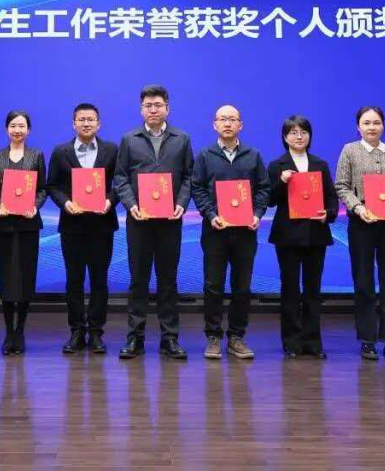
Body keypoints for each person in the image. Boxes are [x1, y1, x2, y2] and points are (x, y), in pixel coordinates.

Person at [112, 84, 194, 360]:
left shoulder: (182, 139)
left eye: (158, 105)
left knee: (168, 280)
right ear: (141, 109)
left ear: (167, 108)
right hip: (140, 221)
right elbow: (120, 177)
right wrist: (131, 205)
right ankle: (135, 338)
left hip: (170, 221)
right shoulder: (129, 139)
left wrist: (181, 203)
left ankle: (169, 339)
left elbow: (189, 176)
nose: (153, 110)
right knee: (138, 280)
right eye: (148, 105)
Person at [190, 105, 270, 361]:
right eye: (222, 119)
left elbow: (263, 189)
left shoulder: (253, 155)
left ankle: (236, 336)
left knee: (241, 287)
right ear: (214, 124)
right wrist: (211, 215)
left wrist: (257, 214)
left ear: (240, 125)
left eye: (232, 119)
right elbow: (197, 188)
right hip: (215, 231)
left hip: (245, 232)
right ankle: (213, 336)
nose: (227, 123)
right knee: (213, 285)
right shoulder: (205, 155)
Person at [334, 106, 385, 362]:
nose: (371, 127)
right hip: (361, 223)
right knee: (364, 281)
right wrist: (358, 208)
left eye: (376, 122)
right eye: (366, 123)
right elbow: (341, 186)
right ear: (358, 127)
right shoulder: (349, 150)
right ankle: (367, 340)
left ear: (383, 125)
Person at [46, 103, 119, 355]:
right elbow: (52, 185)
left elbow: (120, 183)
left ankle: (96, 332)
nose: (86, 123)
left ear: (99, 124)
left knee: (99, 280)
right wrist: (65, 203)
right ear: (73, 123)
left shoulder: (112, 150)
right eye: (81, 119)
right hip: (72, 226)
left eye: (90, 119)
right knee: (74, 280)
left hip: (102, 225)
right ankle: (76, 330)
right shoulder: (61, 152)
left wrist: (109, 201)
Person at [266, 115, 340, 360]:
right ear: (285, 137)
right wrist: (282, 182)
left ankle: (313, 342)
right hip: (287, 236)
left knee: (313, 289)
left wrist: (328, 214)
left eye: (304, 132)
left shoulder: (320, 164)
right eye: (293, 132)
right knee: (289, 289)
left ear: (310, 136)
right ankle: (291, 342)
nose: (299, 137)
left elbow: (331, 197)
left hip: (315, 235)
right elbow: (269, 200)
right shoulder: (277, 165)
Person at [0, 110, 48, 355]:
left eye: (22, 126)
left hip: (28, 225)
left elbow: (42, 189)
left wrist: (35, 206)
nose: (17, 130)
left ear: (28, 130)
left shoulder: (36, 155)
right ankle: (8, 331)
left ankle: (20, 330)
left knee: (25, 277)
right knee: (6, 277)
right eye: (13, 125)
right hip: (3, 225)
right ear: (7, 129)